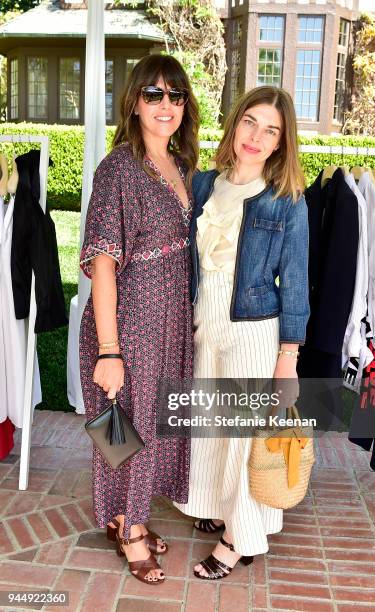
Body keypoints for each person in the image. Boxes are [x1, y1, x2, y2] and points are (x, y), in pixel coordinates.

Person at [174, 86, 310, 579]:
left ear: (281, 142)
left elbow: (295, 281)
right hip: (203, 319)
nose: (256, 136)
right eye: (250, 122)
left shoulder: (286, 202)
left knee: (243, 437)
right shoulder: (205, 184)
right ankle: (215, 505)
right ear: (234, 125)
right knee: (209, 425)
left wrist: (288, 355)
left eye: (270, 130)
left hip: (253, 327)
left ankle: (239, 539)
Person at [79, 54, 199, 585]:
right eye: (154, 94)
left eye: (175, 95)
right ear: (133, 102)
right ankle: (129, 534)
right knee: (125, 430)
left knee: (146, 428)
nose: (166, 105)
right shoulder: (117, 168)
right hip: (128, 325)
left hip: (168, 325)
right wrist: (109, 351)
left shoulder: (179, 163)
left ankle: (128, 514)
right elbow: (102, 263)